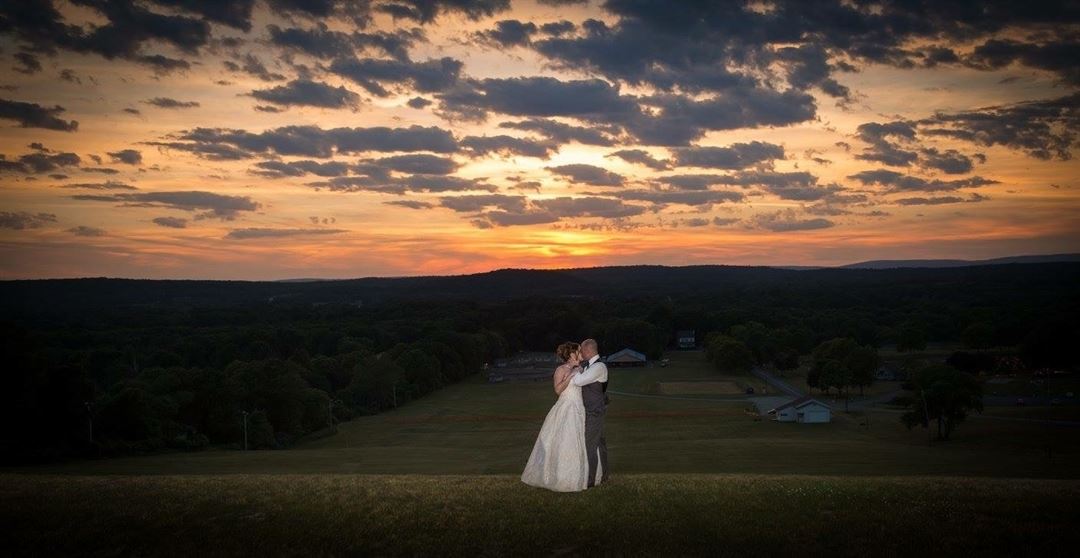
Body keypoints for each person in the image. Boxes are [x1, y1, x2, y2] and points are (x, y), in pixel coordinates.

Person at [521, 342, 593, 492]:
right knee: (565, 441)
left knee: (578, 441)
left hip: (579, 407)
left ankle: (577, 479)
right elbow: (558, 390)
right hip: (566, 408)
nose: (581, 353)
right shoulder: (561, 369)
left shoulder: (582, 368)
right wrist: (570, 375)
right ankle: (559, 478)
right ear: (571, 354)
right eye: (578, 351)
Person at [572, 338, 608, 487]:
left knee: (590, 445)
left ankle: (591, 480)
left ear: (587, 350)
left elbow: (578, 381)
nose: (580, 352)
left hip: (594, 412)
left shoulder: (599, 366)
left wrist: (575, 369)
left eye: (581, 350)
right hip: (591, 411)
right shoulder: (589, 366)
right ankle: (604, 475)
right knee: (599, 443)